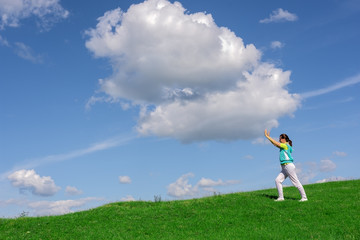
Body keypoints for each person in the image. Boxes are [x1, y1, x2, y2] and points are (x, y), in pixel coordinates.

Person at [264, 129, 308, 202]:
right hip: (284, 167)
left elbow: (276, 143)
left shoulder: (285, 146)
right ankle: (281, 197)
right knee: (277, 180)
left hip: (288, 166)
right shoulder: (284, 146)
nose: (279, 139)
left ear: (284, 139)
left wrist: (267, 137)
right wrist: (268, 138)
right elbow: (275, 144)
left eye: (280, 138)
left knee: (296, 182)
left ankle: (304, 197)